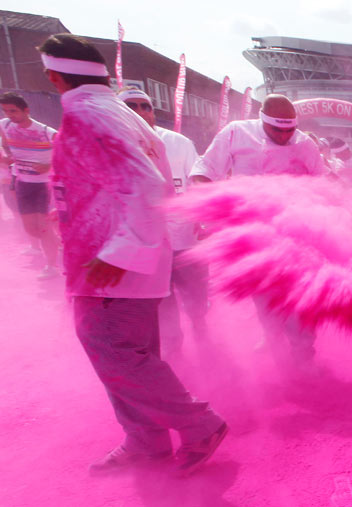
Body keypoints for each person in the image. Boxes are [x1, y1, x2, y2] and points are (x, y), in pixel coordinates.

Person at [39, 33, 227, 476]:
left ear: (52, 75)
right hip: (121, 259)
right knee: (131, 355)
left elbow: (146, 185)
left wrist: (119, 253)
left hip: (110, 265)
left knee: (115, 353)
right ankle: (146, 442)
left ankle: (199, 425)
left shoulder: (89, 114)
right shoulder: (115, 111)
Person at [190, 93, 325, 363]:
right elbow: (203, 173)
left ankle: (303, 355)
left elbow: (324, 187)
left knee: (299, 295)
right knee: (263, 294)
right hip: (251, 234)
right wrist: (218, 209)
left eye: (291, 130)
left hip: (294, 234)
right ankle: (273, 337)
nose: (286, 136)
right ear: (262, 120)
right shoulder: (236, 133)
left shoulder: (306, 144)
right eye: (278, 129)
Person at [118, 87, 209, 356]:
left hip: (184, 239)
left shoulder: (179, 142)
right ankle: (174, 348)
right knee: (163, 302)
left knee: (197, 297)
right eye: (132, 106)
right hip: (146, 245)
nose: (141, 112)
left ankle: (202, 331)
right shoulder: (112, 146)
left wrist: (203, 218)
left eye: (145, 106)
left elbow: (197, 182)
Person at [0, 92, 60, 277]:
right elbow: (6, 146)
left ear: (26, 110)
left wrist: (48, 166)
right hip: (23, 183)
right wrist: (7, 158)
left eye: (14, 111)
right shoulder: (4, 125)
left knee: (43, 227)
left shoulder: (47, 132)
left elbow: (68, 156)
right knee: (30, 228)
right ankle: (57, 241)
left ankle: (51, 266)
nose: (10, 115)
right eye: (6, 111)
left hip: (44, 185)